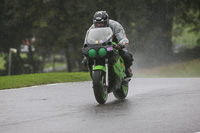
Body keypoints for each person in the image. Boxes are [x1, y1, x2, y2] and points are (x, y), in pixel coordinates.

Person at [82, 11, 133, 77]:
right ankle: (94, 74)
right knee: (85, 61)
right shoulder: (91, 29)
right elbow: (86, 42)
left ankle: (127, 70)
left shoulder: (115, 25)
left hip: (114, 45)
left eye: (102, 23)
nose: (99, 25)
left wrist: (121, 44)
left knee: (127, 56)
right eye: (98, 23)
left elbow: (123, 38)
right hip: (98, 46)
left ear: (106, 21)